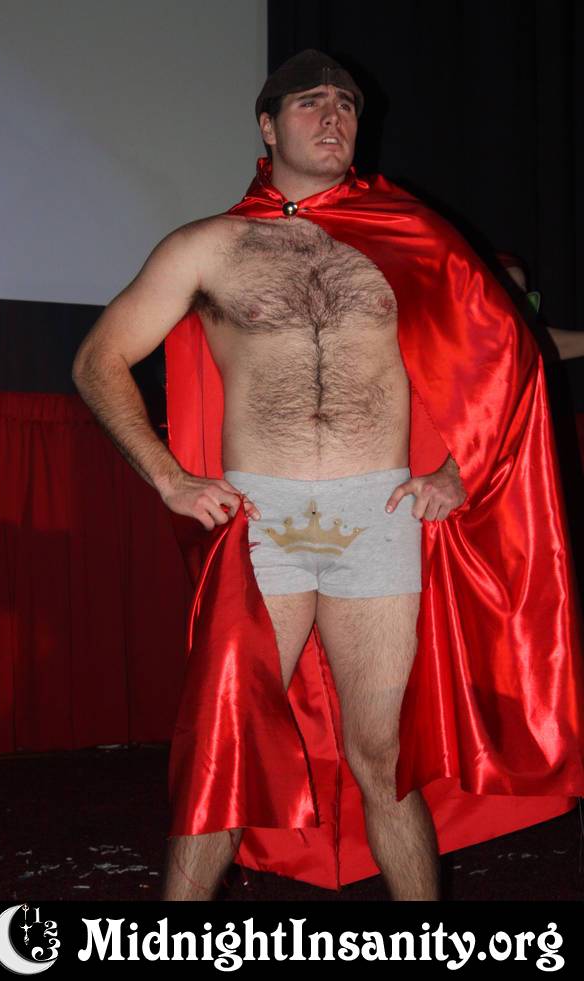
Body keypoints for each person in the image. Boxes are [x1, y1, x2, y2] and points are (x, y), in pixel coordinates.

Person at [72, 50, 584, 902]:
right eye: (310, 102)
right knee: (226, 750)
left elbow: (508, 358)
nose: (334, 115)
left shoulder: (411, 236)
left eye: (345, 103)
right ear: (268, 128)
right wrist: (167, 476)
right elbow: (99, 359)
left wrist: (459, 469)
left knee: (382, 757)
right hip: (262, 519)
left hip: (375, 515)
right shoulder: (209, 246)